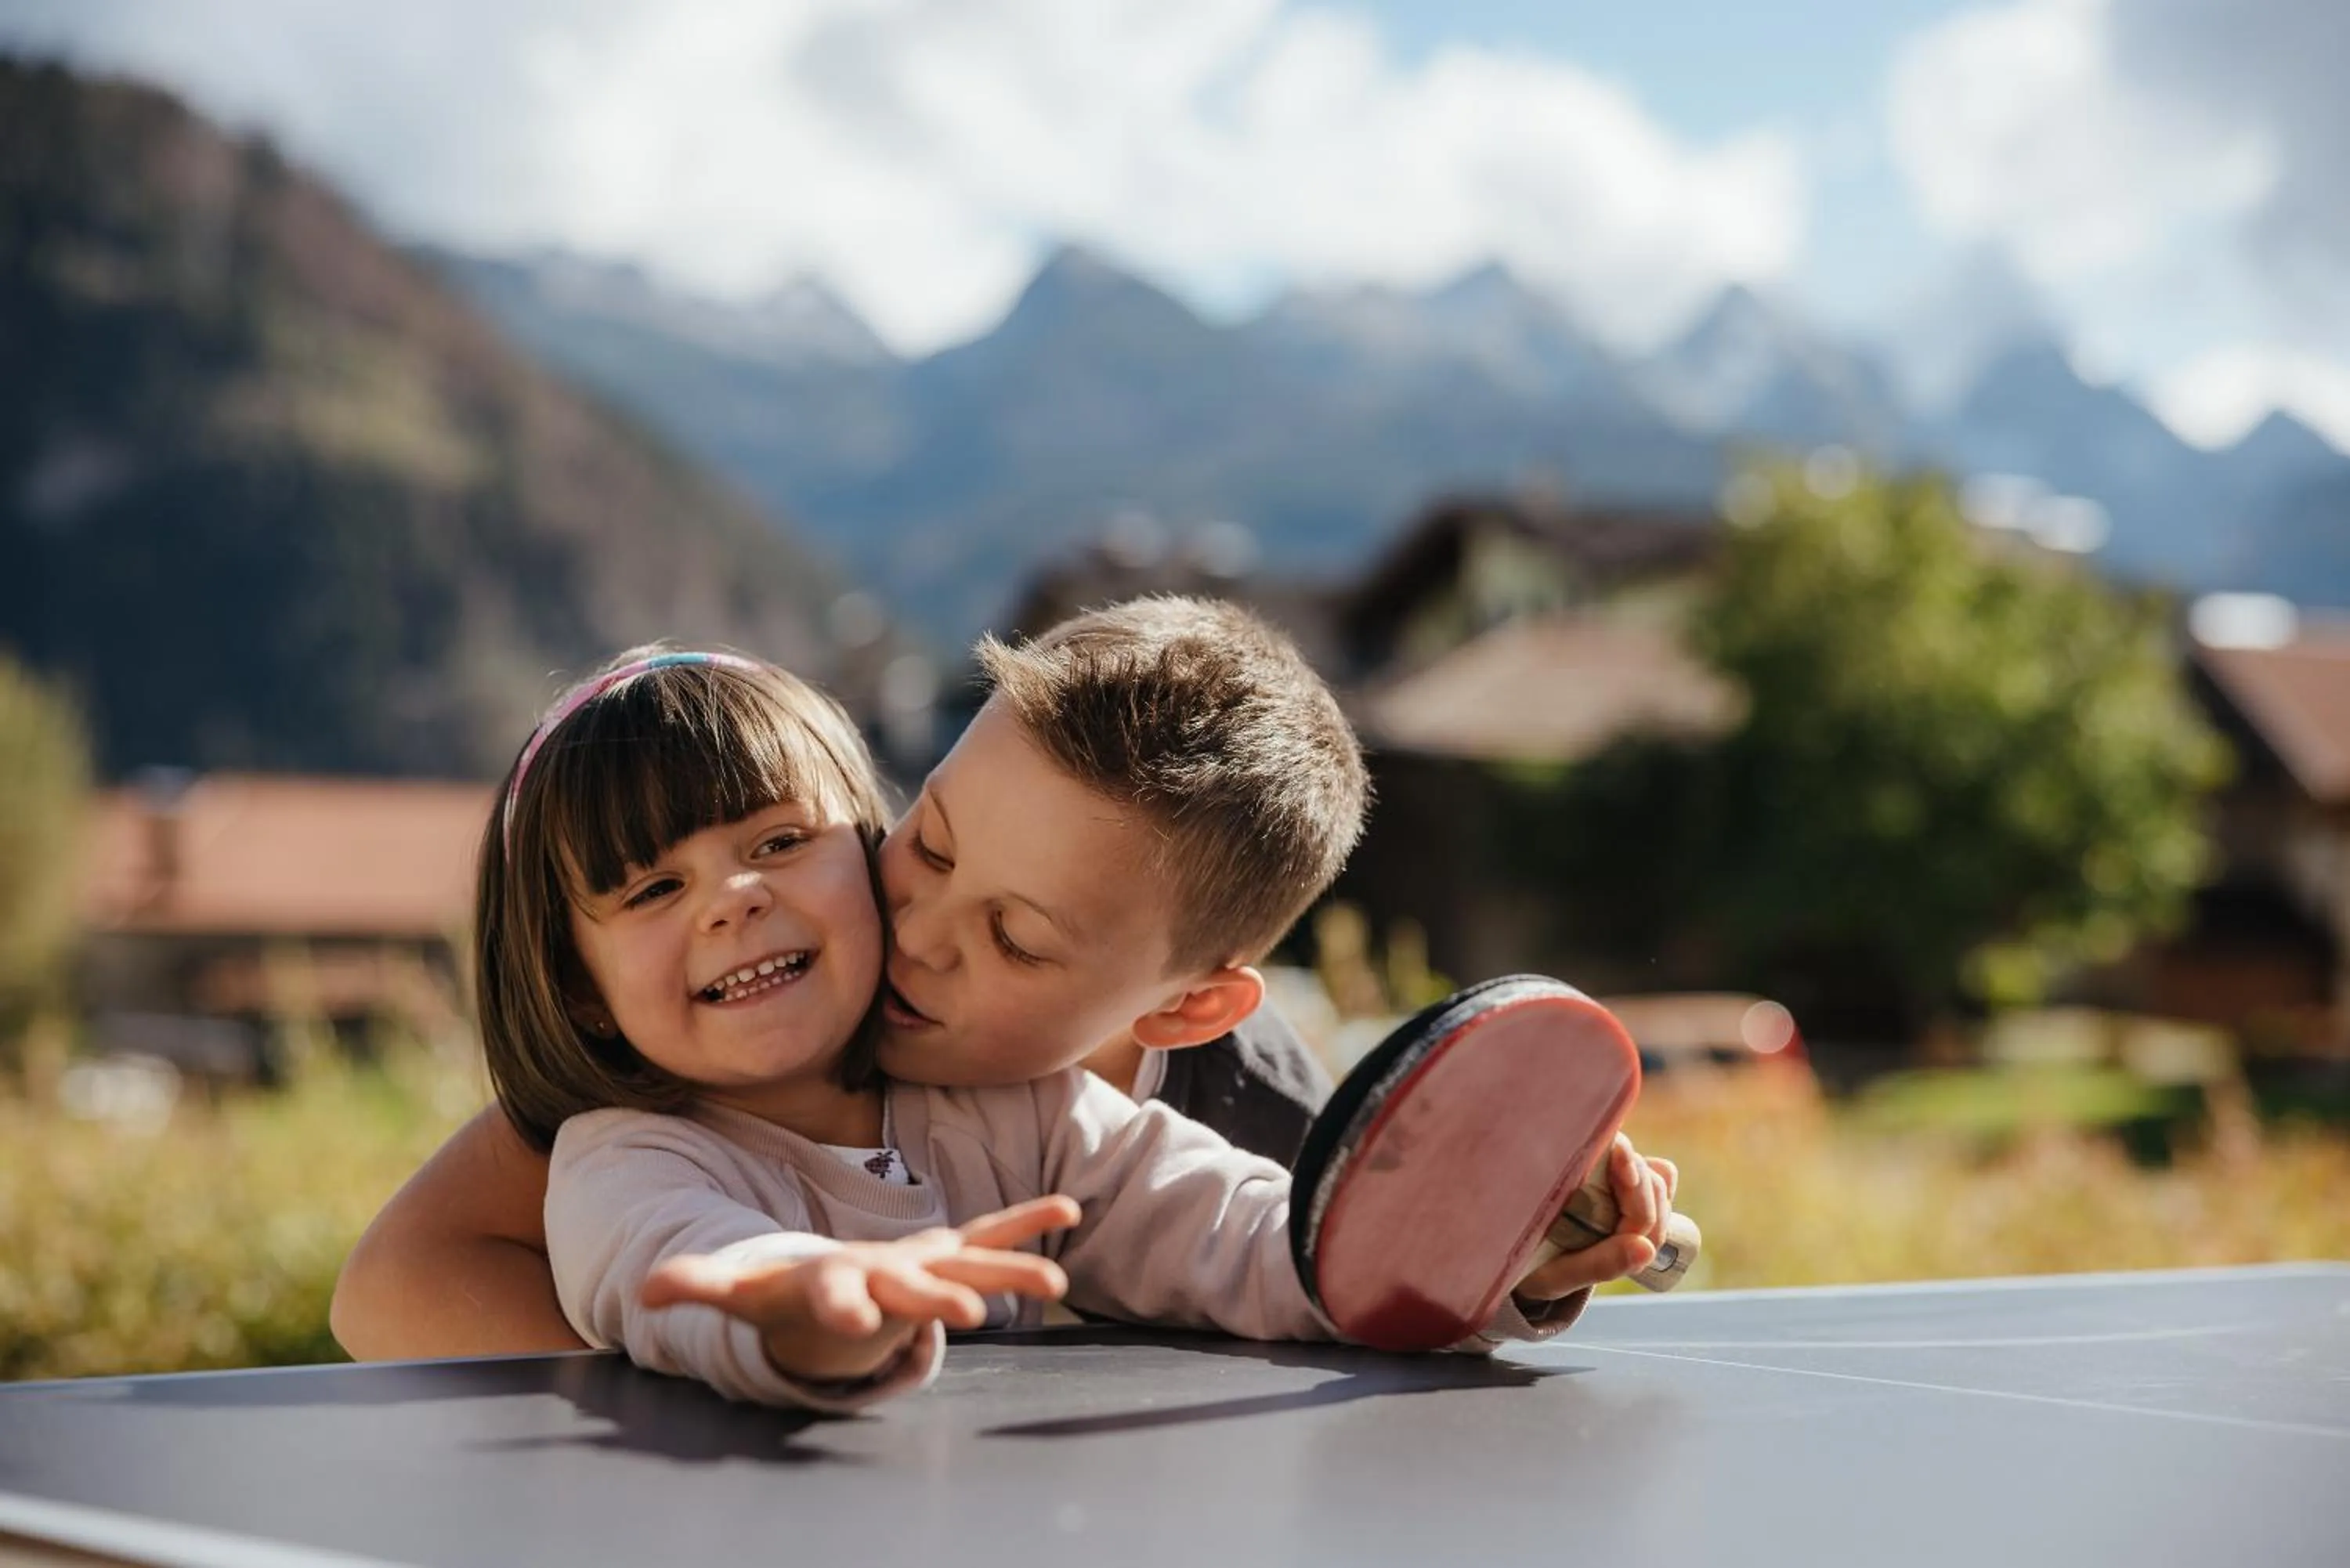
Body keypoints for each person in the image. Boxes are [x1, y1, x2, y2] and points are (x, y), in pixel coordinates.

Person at [329, 601, 1673, 1360]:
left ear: (1181, 1008)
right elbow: (668, 1255)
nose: (921, 935)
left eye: (779, 846)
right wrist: (792, 1312)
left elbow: (1275, 1245)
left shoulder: (1074, 1117)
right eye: (930, 842)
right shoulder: (623, 1150)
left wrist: (1502, 1246)